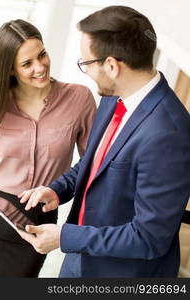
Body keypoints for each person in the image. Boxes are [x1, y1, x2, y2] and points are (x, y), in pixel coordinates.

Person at [18, 6, 190, 277]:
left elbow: (149, 238)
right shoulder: (113, 97)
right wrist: (58, 189)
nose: (84, 70)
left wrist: (64, 237)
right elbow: (95, 162)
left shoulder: (169, 133)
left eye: (86, 63)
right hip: (80, 263)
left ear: (111, 65)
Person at [0, 19, 96, 277]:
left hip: (37, 225)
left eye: (42, 55)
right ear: (11, 69)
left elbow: (93, 163)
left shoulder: (79, 99)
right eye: (27, 64)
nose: (40, 67)